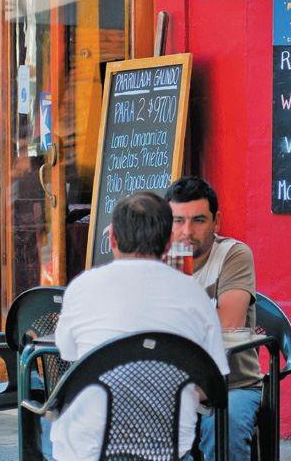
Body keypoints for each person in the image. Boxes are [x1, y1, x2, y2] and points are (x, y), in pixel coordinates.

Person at [50, 191, 229, 461]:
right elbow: (210, 385)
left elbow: (68, 354)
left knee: (46, 422)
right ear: (169, 243)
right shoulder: (195, 297)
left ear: (111, 239)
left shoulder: (81, 287)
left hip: (87, 453)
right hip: (167, 453)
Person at [165, 176, 262, 461]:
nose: (186, 232)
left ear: (216, 221)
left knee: (224, 428)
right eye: (177, 221)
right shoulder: (157, 258)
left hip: (232, 383)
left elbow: (227, 324)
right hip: (170, 382)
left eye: (198, 220)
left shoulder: (233, 255)